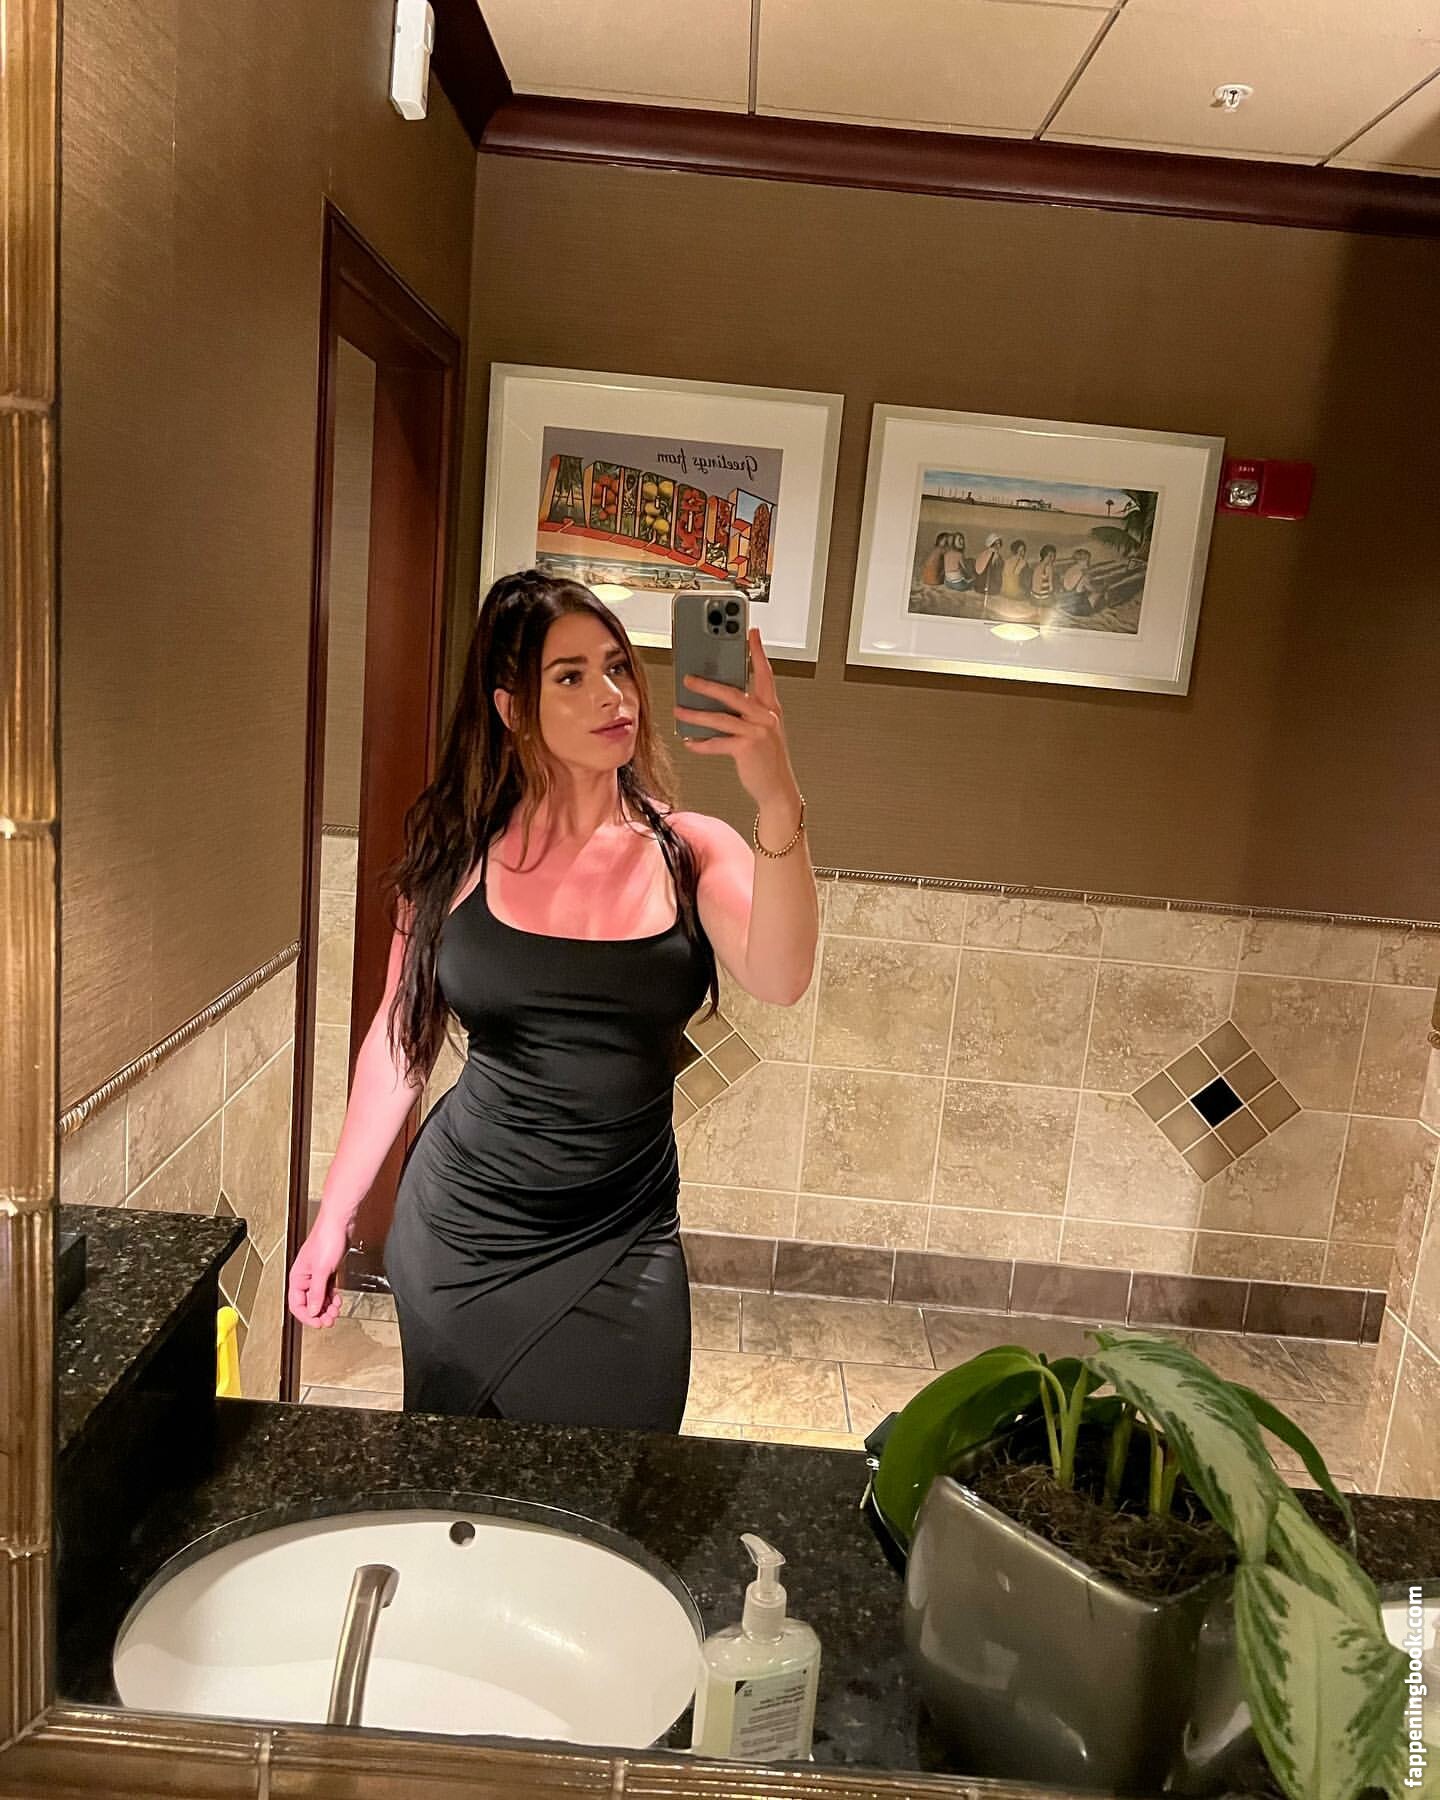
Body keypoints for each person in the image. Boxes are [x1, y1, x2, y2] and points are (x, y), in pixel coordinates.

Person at [287, 570, 817, 1432]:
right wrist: (333, 1218)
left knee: (618, 1487)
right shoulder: (457, 855)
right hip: (459, 1231)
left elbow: (783, 976)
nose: (613, 695)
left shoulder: (690, 851)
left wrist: (776, 796)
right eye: (570, 675)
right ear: (511, 708)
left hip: (623, 1238)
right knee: (460, 1488)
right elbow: (398, 1039)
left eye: (617, 666)